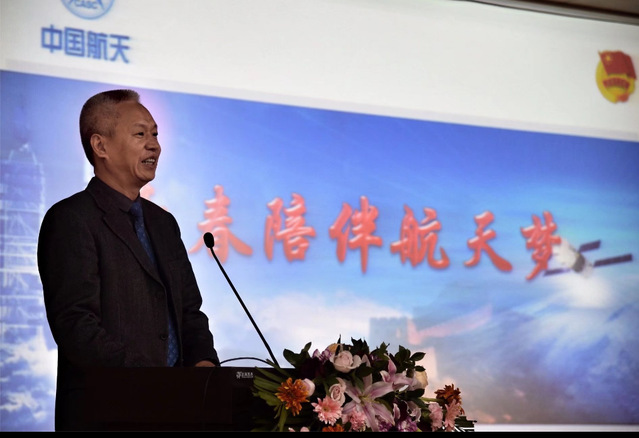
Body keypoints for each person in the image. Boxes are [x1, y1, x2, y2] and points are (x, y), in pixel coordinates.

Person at [37, 89, 220, 431]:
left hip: (179, 413)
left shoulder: (163, 223)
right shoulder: (71, 219)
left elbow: (189, 312)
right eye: (140, 134)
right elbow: (76, 325)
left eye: (155, 134)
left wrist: (204, 366)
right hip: (108, 413)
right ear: (100, 146)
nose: (154, 146)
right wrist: (153, 381)